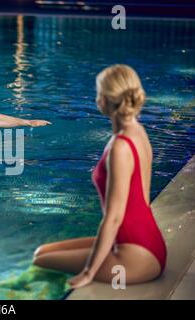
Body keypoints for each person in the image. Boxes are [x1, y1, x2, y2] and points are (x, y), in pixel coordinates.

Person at [33, 65, 167, 289]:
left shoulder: (121, 147)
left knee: (41, 261)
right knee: (42, 252)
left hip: (136, 256)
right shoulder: (138, 131)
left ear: (104, 99)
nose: (96, 99)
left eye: (97, 93)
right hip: (147, 242)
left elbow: (114, 218)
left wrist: (89, 272)